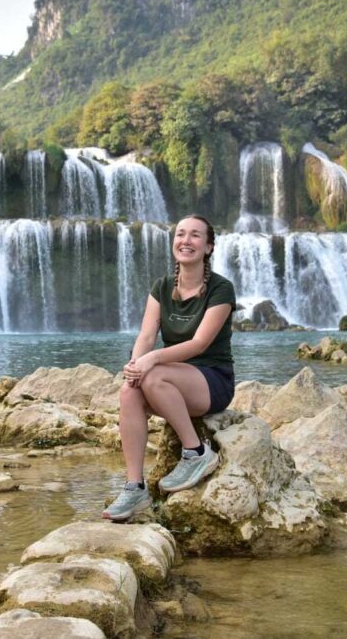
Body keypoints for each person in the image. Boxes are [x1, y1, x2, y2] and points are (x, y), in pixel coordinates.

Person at [103, 214, 237, 522]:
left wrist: (151, 360)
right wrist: (137, 364)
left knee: (154, 374)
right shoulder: (162, 287)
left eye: (194, 236)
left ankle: (197, 452)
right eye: (180, 234)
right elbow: (146, 336)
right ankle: (135, 487)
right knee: (130, 391)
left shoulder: (221, 289)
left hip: (211, 380)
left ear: (208, 247)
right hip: (168, 381)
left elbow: (200, 344)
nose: (185, 241)